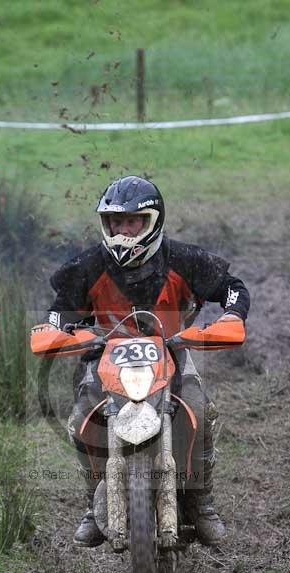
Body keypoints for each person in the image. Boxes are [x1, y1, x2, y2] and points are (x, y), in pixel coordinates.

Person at [42, 175, 250, 548]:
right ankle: (95, 503)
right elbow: (59, 313)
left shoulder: (184, 260)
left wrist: (232, 317)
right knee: (80, 421)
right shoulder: (89, 266)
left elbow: (233, 287)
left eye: (132, 222)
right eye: (116, 223)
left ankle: (200, 501)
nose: (123, 231)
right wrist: (56, 332)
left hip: (172, 350)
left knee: (200, 411)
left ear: (152, 222)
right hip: (107, 357)